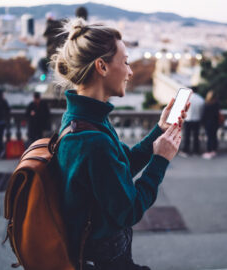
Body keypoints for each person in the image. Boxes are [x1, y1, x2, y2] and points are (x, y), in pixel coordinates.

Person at [52, 18, 189, 270]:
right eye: (125, 62)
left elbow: (121, 166)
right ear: (102, 67)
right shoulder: (93, 140)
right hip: (103, 260)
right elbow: (129, 211)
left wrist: (159, 130)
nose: (130, 71)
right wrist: (160, 160)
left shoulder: (81, 119)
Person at [179, 90, 204, 157]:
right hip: (197, 119)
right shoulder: (200, 99)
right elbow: (202, 110)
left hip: (188, 119)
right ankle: (196, 151)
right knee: (196, 136)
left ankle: (185, 151)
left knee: (187, 136)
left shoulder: (188, 99)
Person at [202, 90, 220, 159]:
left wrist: (203, 122)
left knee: (209, 137)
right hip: (215, 123)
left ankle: (209, 151)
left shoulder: (207, 104)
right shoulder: (217, 103)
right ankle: (214, 151)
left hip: (208, 123)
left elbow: (204, 114)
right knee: (214, 137)